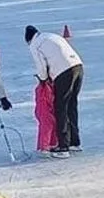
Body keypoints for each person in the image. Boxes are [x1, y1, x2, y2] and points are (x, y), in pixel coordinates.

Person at [26, 25, 84, 157]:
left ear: (29, 40)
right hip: (78, 67)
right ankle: (74, 142)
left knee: (60, 107)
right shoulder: (51, 35)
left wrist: (43, 80)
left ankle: (63, 147)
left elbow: (41, 67)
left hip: (64, 72)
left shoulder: (35, 44)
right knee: (72, 105)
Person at [34, 78, 56, 156]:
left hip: (44, 110)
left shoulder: (47, 86)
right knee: (47, 128)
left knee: (50, 126)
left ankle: (50, 144)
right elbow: (49, 99)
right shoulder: (44, 88)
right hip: (44, 110)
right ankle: (44, 146)